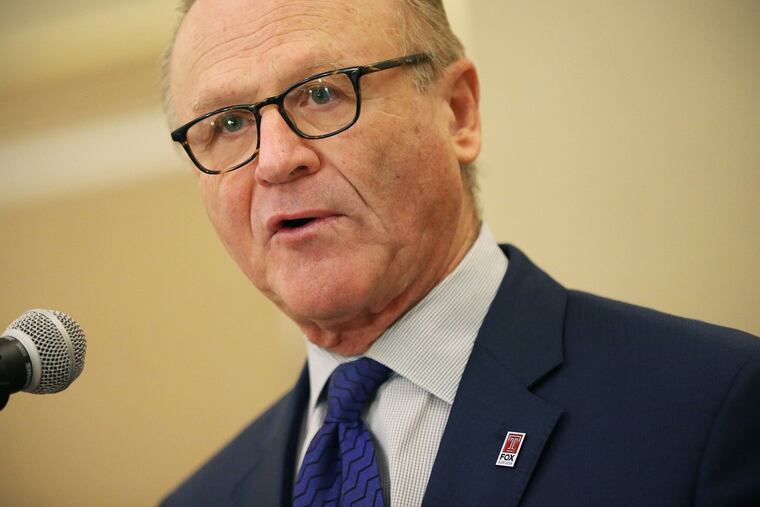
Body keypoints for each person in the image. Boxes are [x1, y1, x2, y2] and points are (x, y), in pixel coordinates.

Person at [161, 0, 760, 505]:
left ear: (458, 112)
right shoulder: (199, 499)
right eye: (228, 124)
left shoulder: (706, 406)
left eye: (322, 93)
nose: (274, 160)